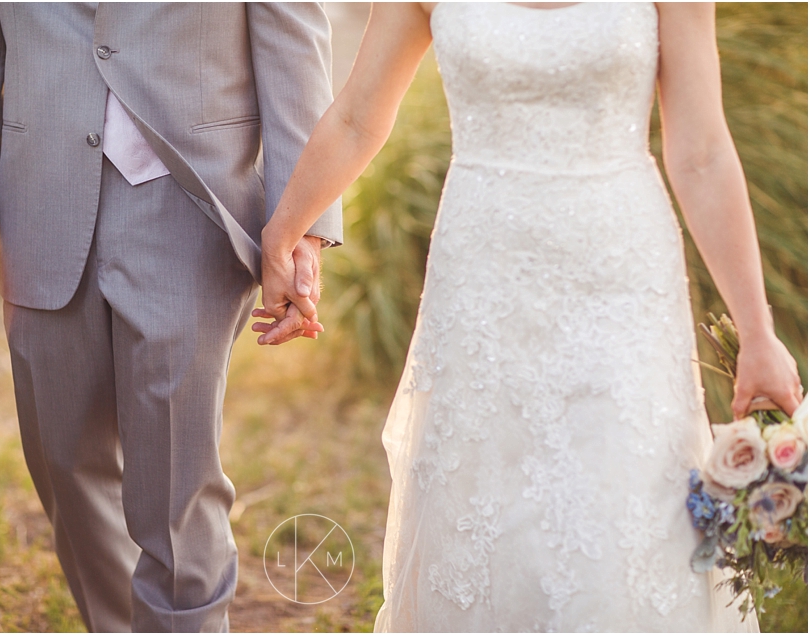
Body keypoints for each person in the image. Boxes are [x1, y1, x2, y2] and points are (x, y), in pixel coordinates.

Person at [254, 2, 803, 631]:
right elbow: (356, 118)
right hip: (483, 280)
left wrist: (757, 333)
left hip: (622, 277)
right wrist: (285, 231)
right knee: (487, 496)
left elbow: (701, 152)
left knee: (623, 491)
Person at [0, 3, 341, 631]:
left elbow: (295, 58)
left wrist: (303, 231)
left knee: (179, 489)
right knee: (65, 465)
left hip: (190, 211)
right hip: (40, 206)